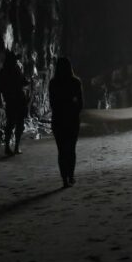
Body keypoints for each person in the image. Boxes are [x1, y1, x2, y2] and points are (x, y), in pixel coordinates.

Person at [49, 57, 84, 188]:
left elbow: (52, 103)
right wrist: (73, 111)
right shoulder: (75, 82)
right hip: (72, 119)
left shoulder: (53, 83)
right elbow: (80, 103)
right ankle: (71, 176)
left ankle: (64, 179)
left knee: (62, 150)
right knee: (71, 149)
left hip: (58, 119)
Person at [0, 51, 29, 155]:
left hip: (10, 101)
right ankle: (16, 147)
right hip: (18, 100)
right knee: (19, 123)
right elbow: (24, 82)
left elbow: (0, 88)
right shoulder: (16, 70)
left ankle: (7, 147)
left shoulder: (2, 72)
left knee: (10, 124)